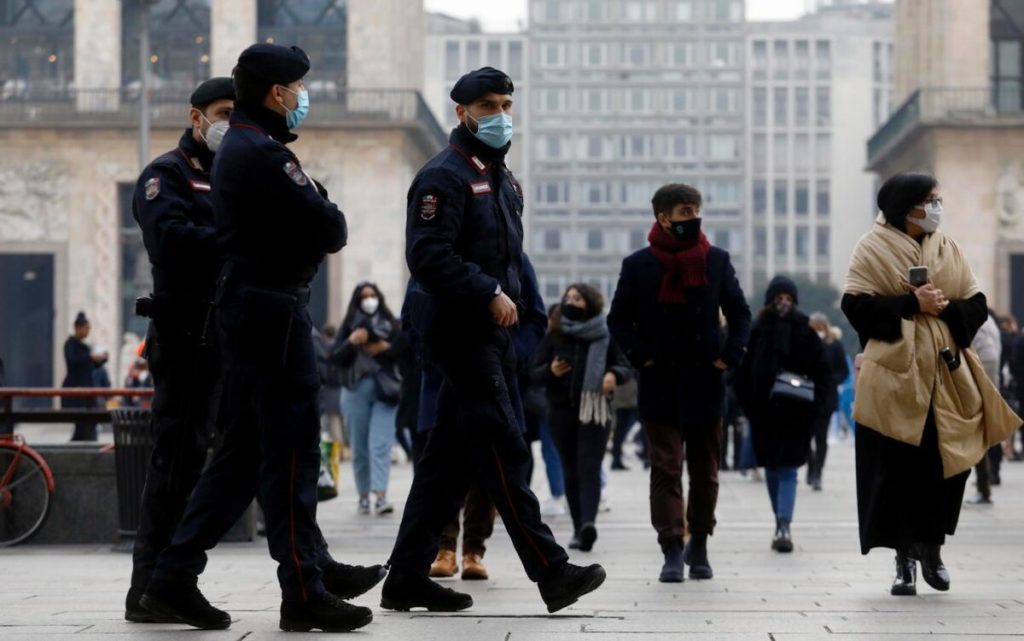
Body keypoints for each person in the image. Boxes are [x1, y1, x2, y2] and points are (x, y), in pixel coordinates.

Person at [139, 46, 383, 632]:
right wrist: (315, 212)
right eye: (298, 87)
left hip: (255, 310)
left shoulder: (249, 148)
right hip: (271, 313)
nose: (302, 98)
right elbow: (332, 226)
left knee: (244, 456)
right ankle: (303, 590)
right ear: (277, 93)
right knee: (291, 452)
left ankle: (174, 576)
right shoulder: (260, 152)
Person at [382, 66, 605, 614]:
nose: (499, 115)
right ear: (461, 112)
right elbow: (428, 255)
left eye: (506, 104)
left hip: (493, 337)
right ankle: (552, 572)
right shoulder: (444, 176)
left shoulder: (503, 179)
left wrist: (518, 316)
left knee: (444, 466)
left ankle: (405, 577)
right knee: (503, 448)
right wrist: (486, 292)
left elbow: (511, 261)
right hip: (461, 333)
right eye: (486, 105)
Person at [842, 172, 1020, 596]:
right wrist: (910, 303)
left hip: (946, 375)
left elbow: (975, 304)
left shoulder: (947, 247)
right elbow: (856, 306)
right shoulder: (871, 248)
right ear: (907, 207)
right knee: (896, 469)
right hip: (894, 379)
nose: (937, 208)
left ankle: (932, 548)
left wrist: (941, 307)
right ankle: (903, 560)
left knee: (946, 466)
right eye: (930, 201)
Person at [608, 183, 751, 583]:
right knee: (666, 468)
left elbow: (740, 314)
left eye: (695, 210)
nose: (693, 218)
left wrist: (729, 356)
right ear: (663, 218)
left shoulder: (716, 261)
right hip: (659, 380)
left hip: (706, 379)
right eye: (685, 212)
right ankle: (672, 547)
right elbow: (617, 319)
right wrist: (642, 356)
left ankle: (699, 542)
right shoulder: (638, 265)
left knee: (705, 470)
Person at [531, 283, 631, 552]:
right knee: (571, 472)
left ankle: (588, 524)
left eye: (577, 298)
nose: (570, 302)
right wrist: (551, 371)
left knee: (588, 467)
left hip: (594, 413)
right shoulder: (555, 333)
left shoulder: (604, 334)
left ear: (590, 303)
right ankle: (578, 528)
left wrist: (614, 375)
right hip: (561, 412)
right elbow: (533, 373)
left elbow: (624, 365)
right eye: (568, 297)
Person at [735, 277, 832, 553]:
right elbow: (742, 372)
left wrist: (817, 407)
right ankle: (779, 519)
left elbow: (823, 372)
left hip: (796, 414)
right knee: (771, 469)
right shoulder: (758, 331)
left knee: (788, 469)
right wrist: (747, 404)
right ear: (770, 300)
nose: (784, 304)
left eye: (789, 299)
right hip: (763, 413)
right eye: (779, 298)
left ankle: (783, 524)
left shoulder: (805, 332)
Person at [333, 282, 402, 516]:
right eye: (364, 297)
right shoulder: (348, 327)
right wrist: (352, 342)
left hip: (386, 390)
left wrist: (385, 347)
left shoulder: (391, 326)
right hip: (355, 390)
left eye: (373, 296)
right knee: (360, 446)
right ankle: (363, 496)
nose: (369, 300)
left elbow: (405, 352)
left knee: (380, 443)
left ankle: (381, 495)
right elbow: (334, 357)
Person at [806, 312, 849, 491]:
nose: (818, 331)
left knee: (821, 436)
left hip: (826, 396)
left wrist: (832, 380)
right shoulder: (804, 344)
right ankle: (811, 462)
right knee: (806, 436)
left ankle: (818, 473)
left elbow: (844, 371)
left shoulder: (834, 346)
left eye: (820, 327)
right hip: (807, 396)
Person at [967, 310, 1003, 504]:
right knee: (986, 429)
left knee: (978, 431)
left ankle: (984, 485)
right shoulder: (991, 324)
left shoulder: (974, 317)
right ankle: (988, 480)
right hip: (991, 374)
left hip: (979, 369)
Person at [62, 312, 106, 442]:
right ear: (78, 328)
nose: (88, 331)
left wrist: (101, 360)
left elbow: (90, 367)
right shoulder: (70, 344)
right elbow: (73, 361)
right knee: (83, 425)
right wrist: (91, 357)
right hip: (76, 390)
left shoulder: (85, 346)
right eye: (86, 328)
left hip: (86, 391)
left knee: (86, 426)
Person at [315, 324, 347, 460]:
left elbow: (324, 372)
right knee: (342, 423)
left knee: (334, 425)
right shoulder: (341, 346)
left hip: (331, 391)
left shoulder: (325, 349)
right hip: (343, 390)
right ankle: (344, 450)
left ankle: (339, 453)